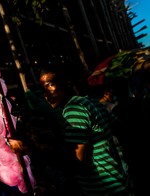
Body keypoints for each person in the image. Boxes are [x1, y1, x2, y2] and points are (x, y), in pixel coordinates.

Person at [37, 65, 134, 195]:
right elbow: (123, 131)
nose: (46, 94)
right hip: (119, 181)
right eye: (43, 89)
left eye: (49, 85)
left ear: (67, 82)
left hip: (103, 188)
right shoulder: (91, 102)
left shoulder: (73, 109)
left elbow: (77, 160)